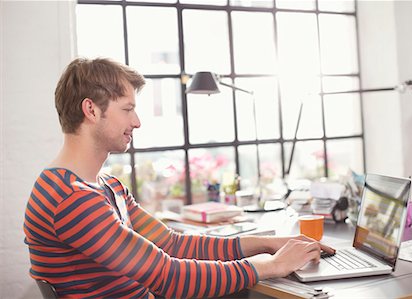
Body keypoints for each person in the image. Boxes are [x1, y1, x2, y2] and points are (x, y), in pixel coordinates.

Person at [24, 57, 334, 298]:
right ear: (91, 110)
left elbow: (171, 245)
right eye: (127, 109)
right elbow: (167, 276)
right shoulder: (71, 198)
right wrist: (274, 265)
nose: (137, 121)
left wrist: (269, 244)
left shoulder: (106, 186)